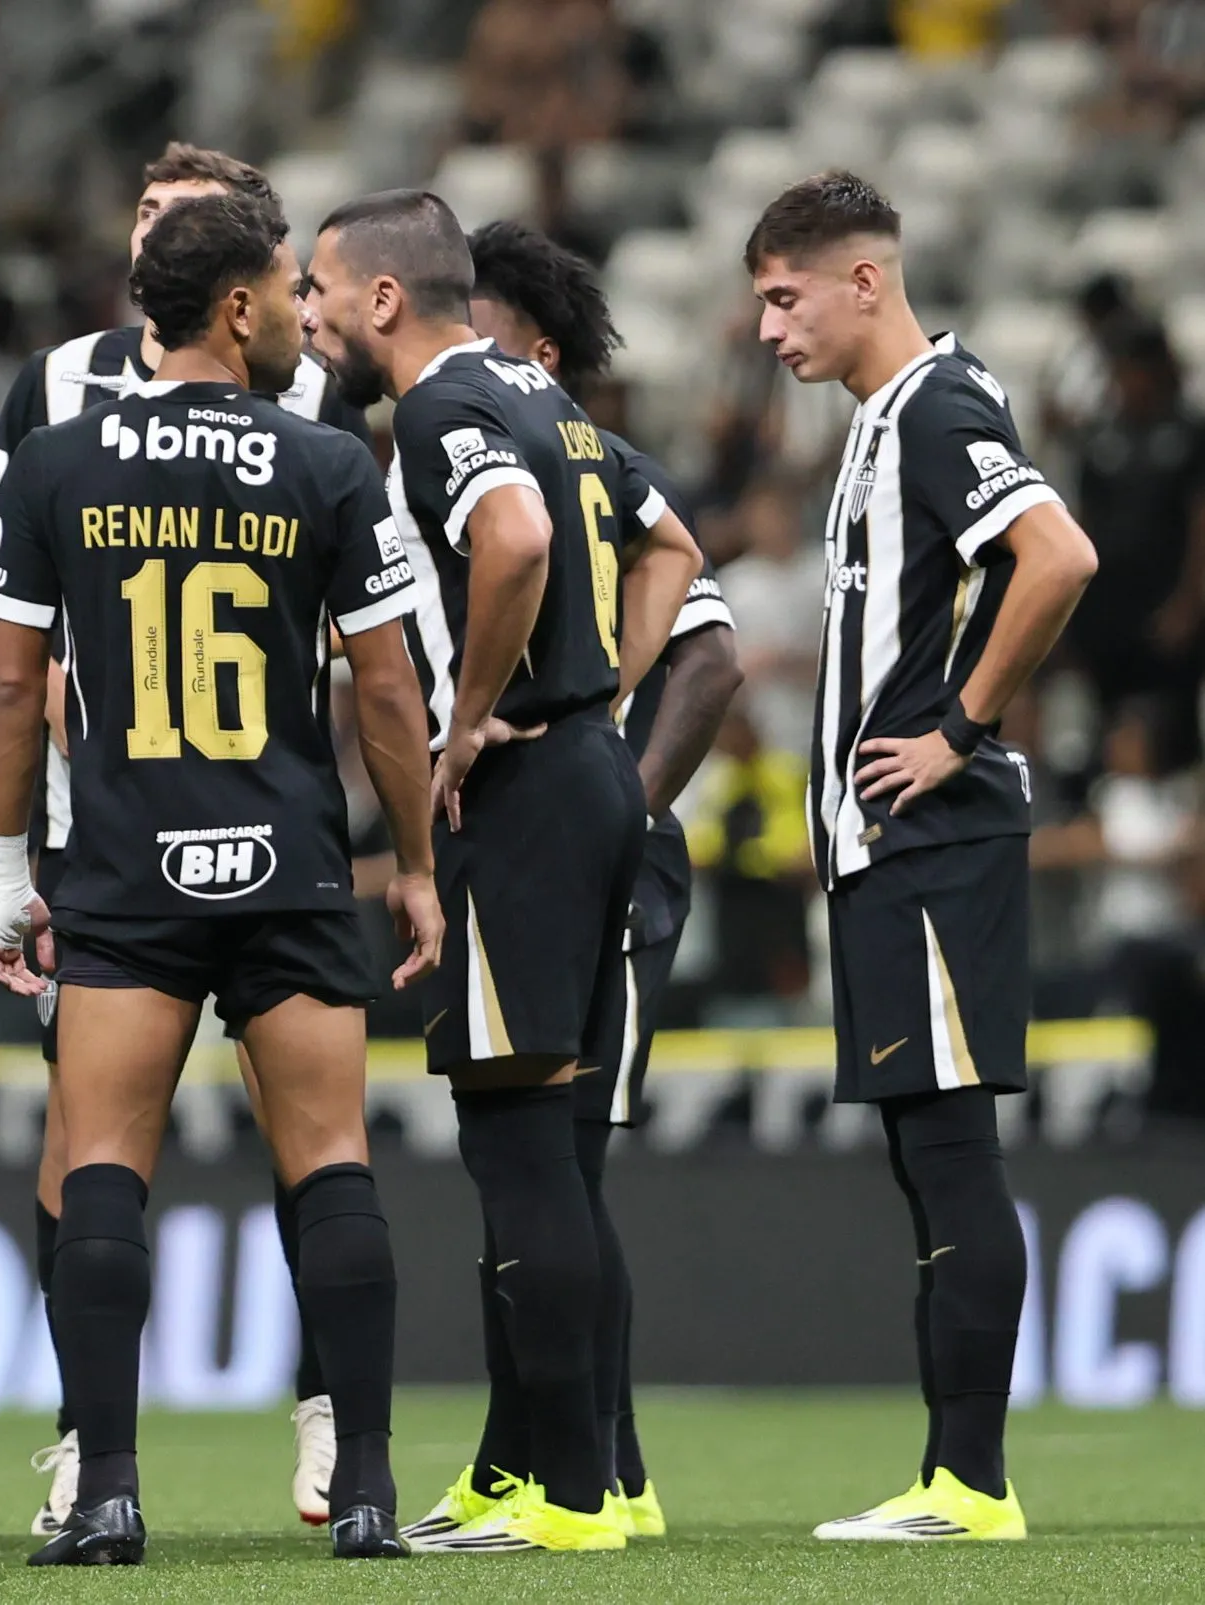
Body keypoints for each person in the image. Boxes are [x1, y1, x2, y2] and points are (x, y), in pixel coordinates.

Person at [0, 190, 444, 1566]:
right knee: (332, 1162)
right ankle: (364, 1489)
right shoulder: (326, 460)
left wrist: (5, 868)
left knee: (102, 1168)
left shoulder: (57, 462)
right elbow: (385, 689)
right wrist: (415, 862)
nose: (302, 311)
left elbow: (10, 689)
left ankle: (106, 1492)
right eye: (287, 287)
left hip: (125, 870)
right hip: (287, 863)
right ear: (234, 309)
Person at [302, 188, 697, 1553]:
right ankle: (554, 1477)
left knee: (521, 1148)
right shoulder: (554, 402)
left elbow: (515, 539)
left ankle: (572, 1498)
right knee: (555, 1153)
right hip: (593, 777)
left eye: (320, 290)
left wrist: (470, 715)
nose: (310, 316)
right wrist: (599, 693)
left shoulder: (439, 410)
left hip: (521, 798)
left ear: (383, 298)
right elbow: (673, 548)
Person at [747, 170, 1099, 1543]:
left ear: (864, 280)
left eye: (786, 298)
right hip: (887, 850)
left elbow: (1054, 556)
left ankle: (970, 1483)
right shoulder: (883, 421)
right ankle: (950, 1474)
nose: (770, 330)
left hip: (934, 840)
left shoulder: (938, 408)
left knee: (951, 1154)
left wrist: (959, 729)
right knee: (927, 1157)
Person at [463, 218, 743, 1540]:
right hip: (537, 835)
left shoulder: (586, 465)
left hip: (593, 844)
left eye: (474, 323)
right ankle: (525, 1465)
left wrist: (614, 772)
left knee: (556, 1167)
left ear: (535, 350)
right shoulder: (496, 462)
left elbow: (712, 655)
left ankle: (607, 1469)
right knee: (529, 1171)